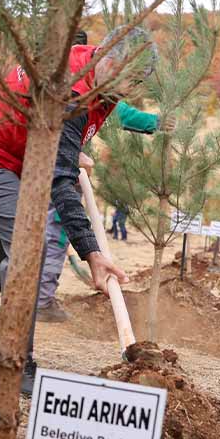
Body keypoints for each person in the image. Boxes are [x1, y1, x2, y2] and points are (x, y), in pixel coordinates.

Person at [0, 29, 144, 396]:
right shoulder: (71, 92)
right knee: (28, 250)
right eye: (130, 80)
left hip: (18, 161)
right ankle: (16, 362)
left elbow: (57, 135)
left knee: (5, 247)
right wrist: (92, 253)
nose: (131, 91)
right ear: (110, 61)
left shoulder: (101, 73)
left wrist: (68, 149)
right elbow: (61, 185)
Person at [34, 101, 159, 323]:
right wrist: (156, 122)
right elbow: (122, 113)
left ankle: (18, 291)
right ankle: (42, 300)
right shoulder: (86, 91)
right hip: (61, 173)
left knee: (28, 231)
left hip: (35, 169)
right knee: (56, 235)